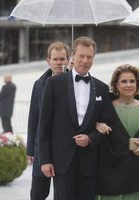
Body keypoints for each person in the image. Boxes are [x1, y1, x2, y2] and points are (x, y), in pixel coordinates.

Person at [39, 36, 112, 200]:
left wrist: (91, 138)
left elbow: (108, 124)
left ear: (94, 57)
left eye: (89, 56)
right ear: (73, 55)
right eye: (81, 56)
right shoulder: (53, 83)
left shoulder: (102, 88)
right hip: (61, 161)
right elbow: (44, 124)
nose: (85, 60)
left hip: (89, 163)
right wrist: (45, 160)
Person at [96, 64, 139, 200]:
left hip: (137, 173)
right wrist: (97, 124)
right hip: (110, 173)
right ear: (116, 84)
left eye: (132, 81)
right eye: (124, 81)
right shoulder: (105, 106)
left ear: (138, 83)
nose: (129, 85)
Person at [26, 41, 70, 200]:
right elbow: (33, 118)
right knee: (37, 193)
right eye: (56, 59)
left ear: (68, 59)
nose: (59, 63)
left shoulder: (73, 82)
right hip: (42, 148)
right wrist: (30, 148)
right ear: (48, 61)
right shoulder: (39, 84)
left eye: (62, 59)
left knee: (63, 193)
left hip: (65, 148)